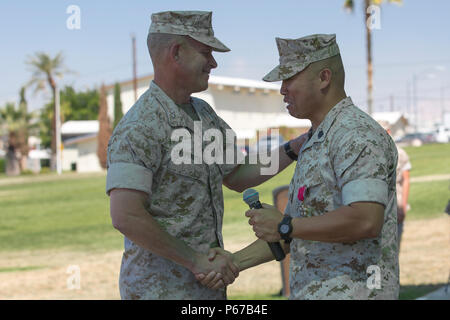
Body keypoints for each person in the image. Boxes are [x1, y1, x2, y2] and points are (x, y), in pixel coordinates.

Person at [106, 10, 306, 300]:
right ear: (176, 53)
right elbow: (125, 215)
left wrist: (294, 148)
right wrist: (194, 260)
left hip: (206, 289)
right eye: (205, 52)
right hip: (160, 291)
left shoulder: (203, 115)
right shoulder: (140, 126)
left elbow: (237, 175)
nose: (213, 62)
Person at [200, 34, 400, 299]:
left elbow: (365, 220)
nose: (283, 89)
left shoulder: (355, 134)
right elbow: (292, 234)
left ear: (324, 78)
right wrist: (233, 262)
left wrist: (286, 225)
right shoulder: (316, 139)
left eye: (290, 79)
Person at [380, 121, 411, 249]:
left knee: (394, 250)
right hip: (377, 208)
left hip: (395, 205)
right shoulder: (369, 154)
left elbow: (406, 180)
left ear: (388, 131)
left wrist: (403, 206)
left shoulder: (400, 153)